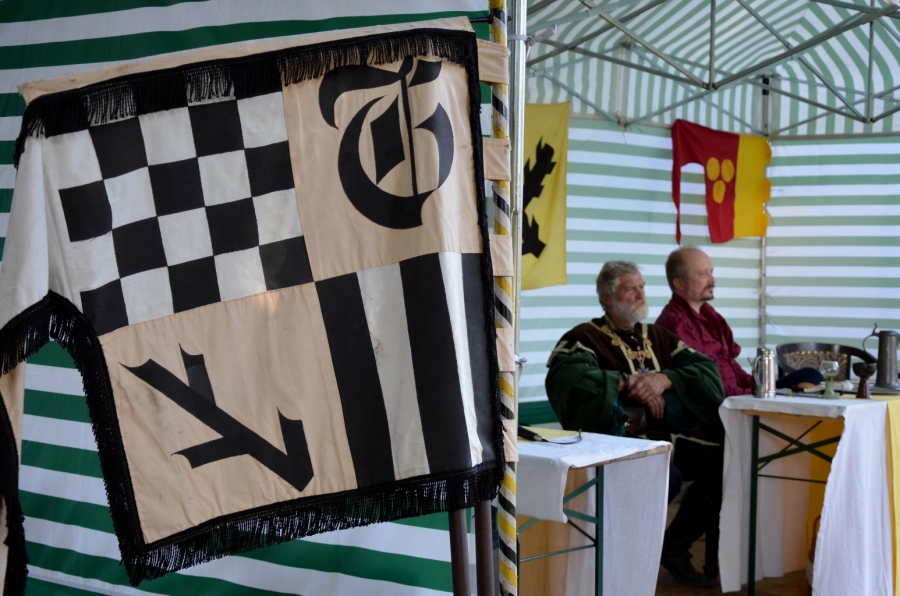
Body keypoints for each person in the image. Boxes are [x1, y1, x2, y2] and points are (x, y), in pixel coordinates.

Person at [545, 260, 725, 588]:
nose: (640, 294)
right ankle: (626, 559)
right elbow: (570, 379)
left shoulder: (659, 336)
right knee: (666, 477)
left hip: (668, 439)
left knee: (726, 464)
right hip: (618, 445)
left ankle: (675, 546)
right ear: (606, 297)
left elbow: (706, 371)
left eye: (642, 287)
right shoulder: (584, 337)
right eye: (631, 289)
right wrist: (627, 383)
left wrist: (664, 379)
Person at [656, 246, 822, 397]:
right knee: (804, 388)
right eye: (703, 274)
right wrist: (751, 394)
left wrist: (757, 386)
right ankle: (790, 401)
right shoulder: (676, 322)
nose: (712, 280)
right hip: (722, 400)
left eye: (711, 272)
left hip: (741, 392)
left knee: (811, 374)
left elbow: (730, 364)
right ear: (679, 283)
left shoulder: (710, 314)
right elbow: (705, 383)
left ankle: (791, 400)